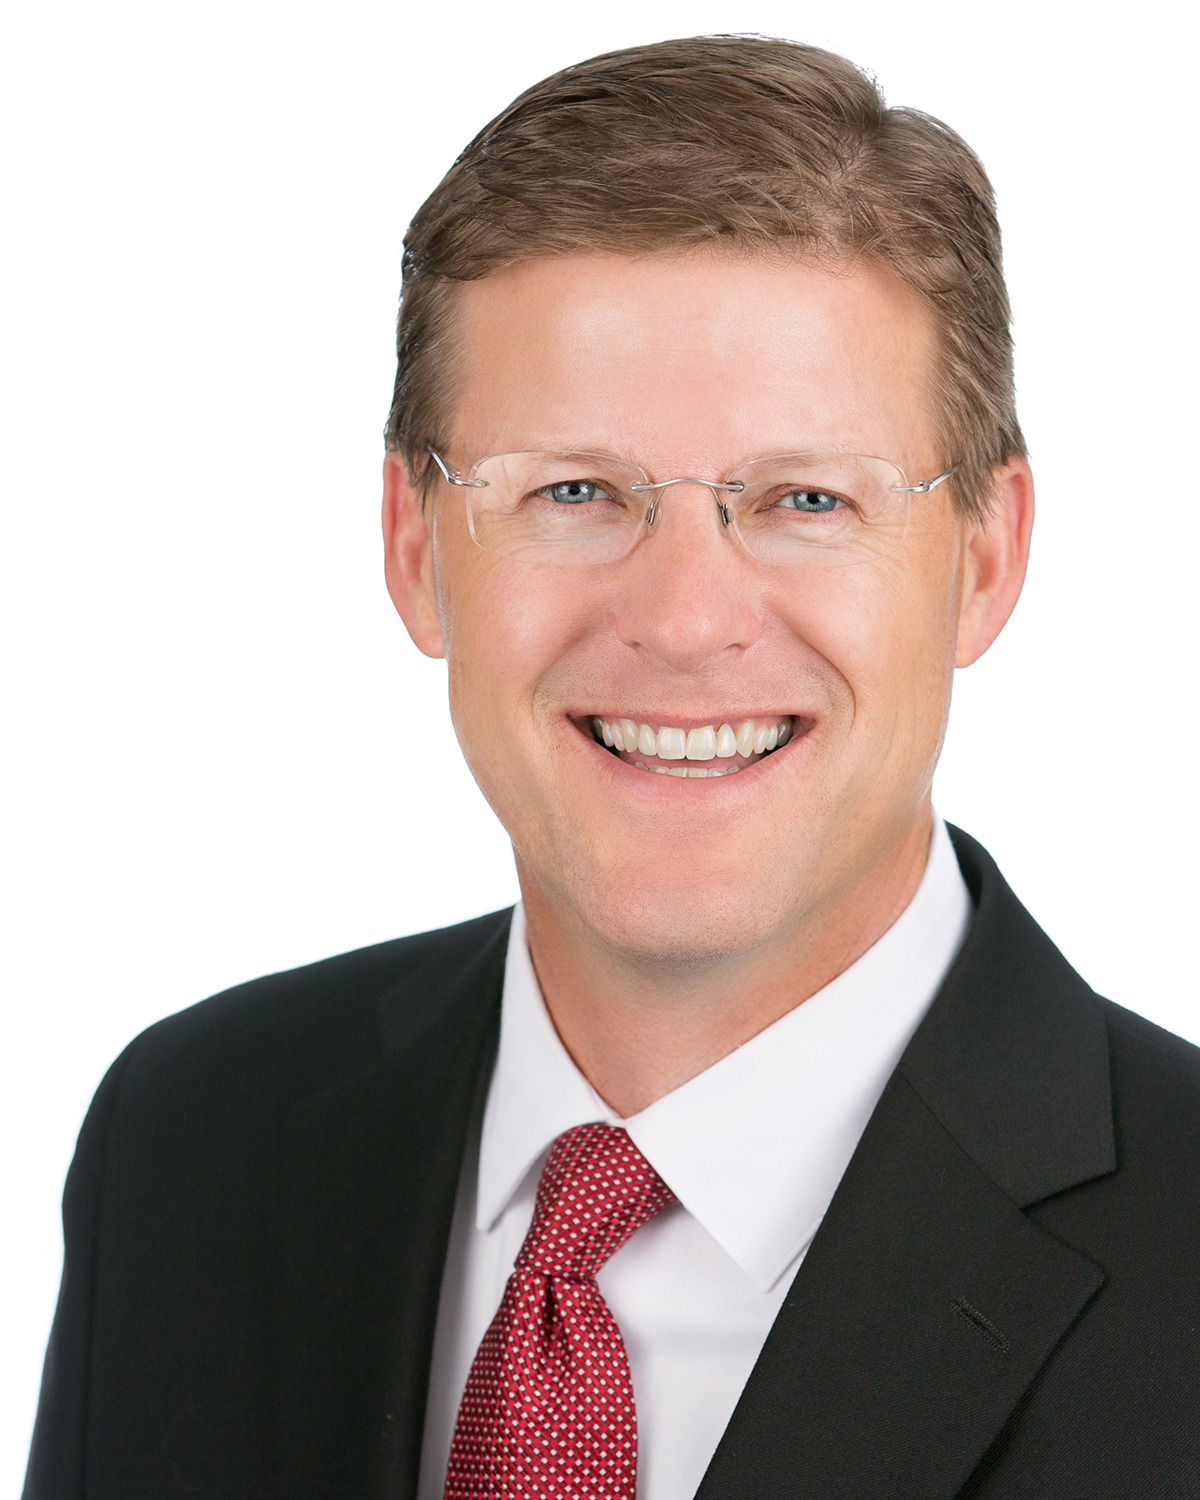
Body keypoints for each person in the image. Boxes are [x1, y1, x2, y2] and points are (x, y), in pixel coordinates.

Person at [24, 35, 1200, 1500]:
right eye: (575, 490)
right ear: (415, 547)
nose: (685, 620)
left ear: (986, 557)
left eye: (805, 499)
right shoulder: (190, 1146)